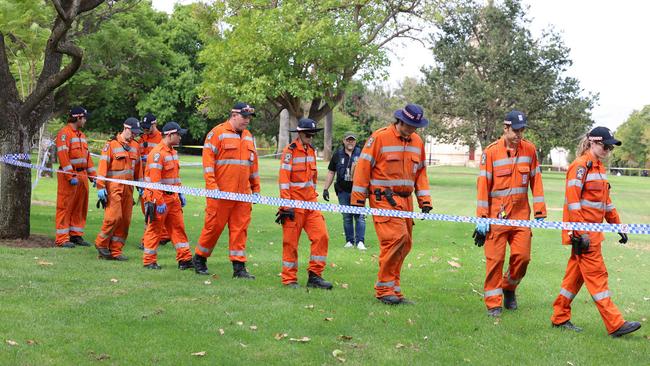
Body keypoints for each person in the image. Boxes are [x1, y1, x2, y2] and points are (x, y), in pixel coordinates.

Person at [550, 127, 641, 337]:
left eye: (610, 147)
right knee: (598, 277)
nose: (608, 150)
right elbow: (573, 203)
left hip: (593, 235)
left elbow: (605, 203)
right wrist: (581, 232)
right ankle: (615, 324)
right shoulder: (580, 166)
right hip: (584, 236)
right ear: (592, 142)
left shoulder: (599, 168)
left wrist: (618, 225)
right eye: (605, 145)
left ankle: (559, 317)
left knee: (574, 278)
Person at [351, 104, 433, 305]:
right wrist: (357, 201)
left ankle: (394, 290)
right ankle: (384, 289)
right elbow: (363, 168)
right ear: (400, 121)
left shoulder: (417, 142)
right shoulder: (379, 138)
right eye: (410, 125)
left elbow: (421, 173)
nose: (413, 129)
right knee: (395, 239)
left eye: (416, 126)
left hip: (406, 202)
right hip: (383, 199)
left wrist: (425, 200)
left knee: (405, 244)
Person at [474, 110, 546, 317]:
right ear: (505, 129)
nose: (519, 134)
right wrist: (482, 217)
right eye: (516, 130)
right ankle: (493, 304)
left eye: (522, 130)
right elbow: (483, 186)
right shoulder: (491, 152)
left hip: (521, 215)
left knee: (522, 258)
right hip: (496, 215)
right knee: (494, 260)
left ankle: (509, 287)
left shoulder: (530, 150)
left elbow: (536, 180)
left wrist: (540, 211)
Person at [192, 102, 260, 279]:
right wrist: (213, 188)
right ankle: (199, 258)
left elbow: (252, 166)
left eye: (249, 118)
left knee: (240, 230)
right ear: (234, 114)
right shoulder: (217, 133)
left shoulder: (248, 136)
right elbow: (208, 165)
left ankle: (239, 268)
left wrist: (256, 188)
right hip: (221, 194)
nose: (247, 121)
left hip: (242, 195)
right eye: (244, 117)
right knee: (213, 227)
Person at [276, 118, 333, 289]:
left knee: (322, 236)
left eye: (313, 134)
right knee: (290, 243)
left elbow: (311, 180)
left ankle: (315, 276)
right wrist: (286, 205)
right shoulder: (290, 152)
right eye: (309, 134)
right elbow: (284, 180)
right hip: (294, 205)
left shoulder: (310, 151)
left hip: (311, 203)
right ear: (300, 133)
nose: (311, 137)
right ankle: (289, 279)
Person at [141, 122, 193, 270]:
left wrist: (180, 193)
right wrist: (160, 201)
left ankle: (185, 259)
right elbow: (155, 181)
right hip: (158, 198)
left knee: (178, 228)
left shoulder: (172, 153)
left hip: (173, 198)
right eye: (179, 135)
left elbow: (175, 178)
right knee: (154, 229)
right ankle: (149, 261)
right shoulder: (157, 154)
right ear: (170, 135)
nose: (180, 138)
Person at [94, 118, 143, 260]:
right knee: (114, 217)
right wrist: (100, 186)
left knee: (125, 220)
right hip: (113, 189)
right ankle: (101, 243)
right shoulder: (111, 145)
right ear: (125, 128)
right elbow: (103, 167)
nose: (134, 135)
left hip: (129, 189)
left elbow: (138, 169)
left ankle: (116, 251)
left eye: (136, 133)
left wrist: (141, 186)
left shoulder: (136, 146)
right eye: (132, 132)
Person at [54, 106, 97, 248]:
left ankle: (75, 235)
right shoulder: (64, 134)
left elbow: (88, 158)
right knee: (65, 207)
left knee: (80, 207)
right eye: (84, 118)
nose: (85, 121)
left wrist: (93, 176)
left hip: (82, 176)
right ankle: (62, 238)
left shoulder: (81, 136)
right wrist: (70, 175)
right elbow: (63, 157)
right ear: (78, 118)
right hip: (69, 177)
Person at [323, 132, 366, 250]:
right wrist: (325, 188)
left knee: (359, 216)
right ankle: (350, 241)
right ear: (344, 141)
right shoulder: (338, 154)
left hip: (358, 191)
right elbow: (331, 172)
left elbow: (368, 171)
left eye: (352, 140)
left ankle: (360, 241)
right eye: (348, 140)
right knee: (347, 216)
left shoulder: (362, 153)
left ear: (355, 142)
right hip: (342, 191)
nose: (350, 142)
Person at [136, 113, 170, 249]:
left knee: (152, 210)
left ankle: (148, 240)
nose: (145, 130)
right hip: (144, 180)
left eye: (147, 127)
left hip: (157, 180)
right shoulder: (141, 138)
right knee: (148, 210)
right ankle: (163, 236)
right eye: (143, 127)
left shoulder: (162, 138)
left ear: (154, 124)